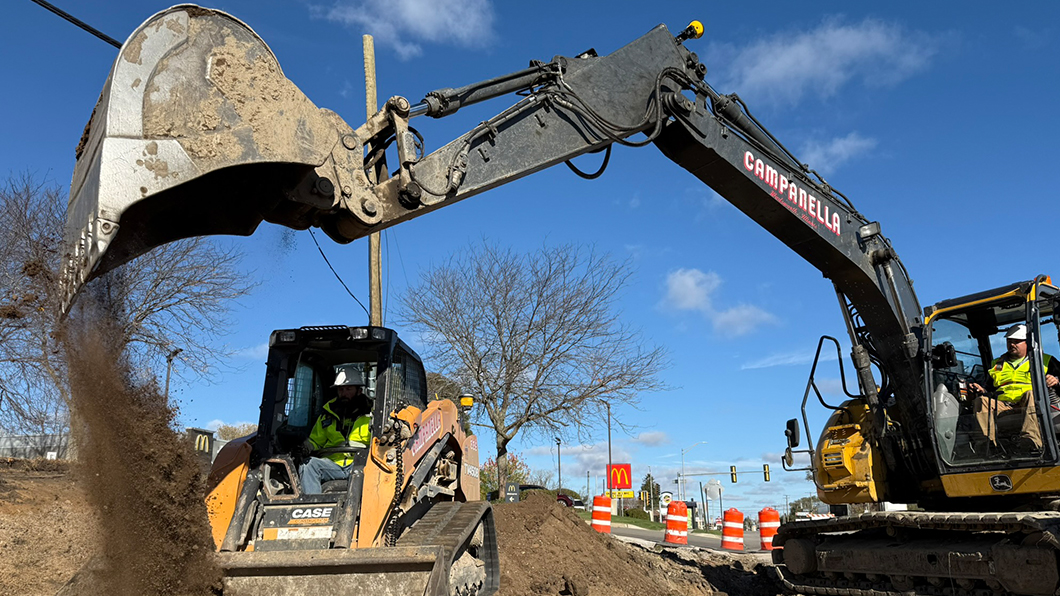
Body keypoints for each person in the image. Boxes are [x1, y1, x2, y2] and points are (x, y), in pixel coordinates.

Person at [968, 324, 1060, 452]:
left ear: (1028, 342)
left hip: (1029, 404)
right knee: (981, 401)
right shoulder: (997, 364)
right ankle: (987, 445)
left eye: (1016, 341)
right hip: (1004, 405)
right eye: (1009, 341)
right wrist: (981, 390)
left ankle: (1030, 440)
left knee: (1031, 393)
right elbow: (988, 388)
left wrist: (1056, 380)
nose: (1012, 344)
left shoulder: (1045, 360)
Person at [298, 363, 372, 494]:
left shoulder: (373, 414)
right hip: (333, 465)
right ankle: (313, 505)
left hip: (361, 463)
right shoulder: (327, 414)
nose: (344, 393)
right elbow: (316, 441)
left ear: (359, 391)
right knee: (308, 465)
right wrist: (306, 446)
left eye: (348, 389)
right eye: (341, 390)